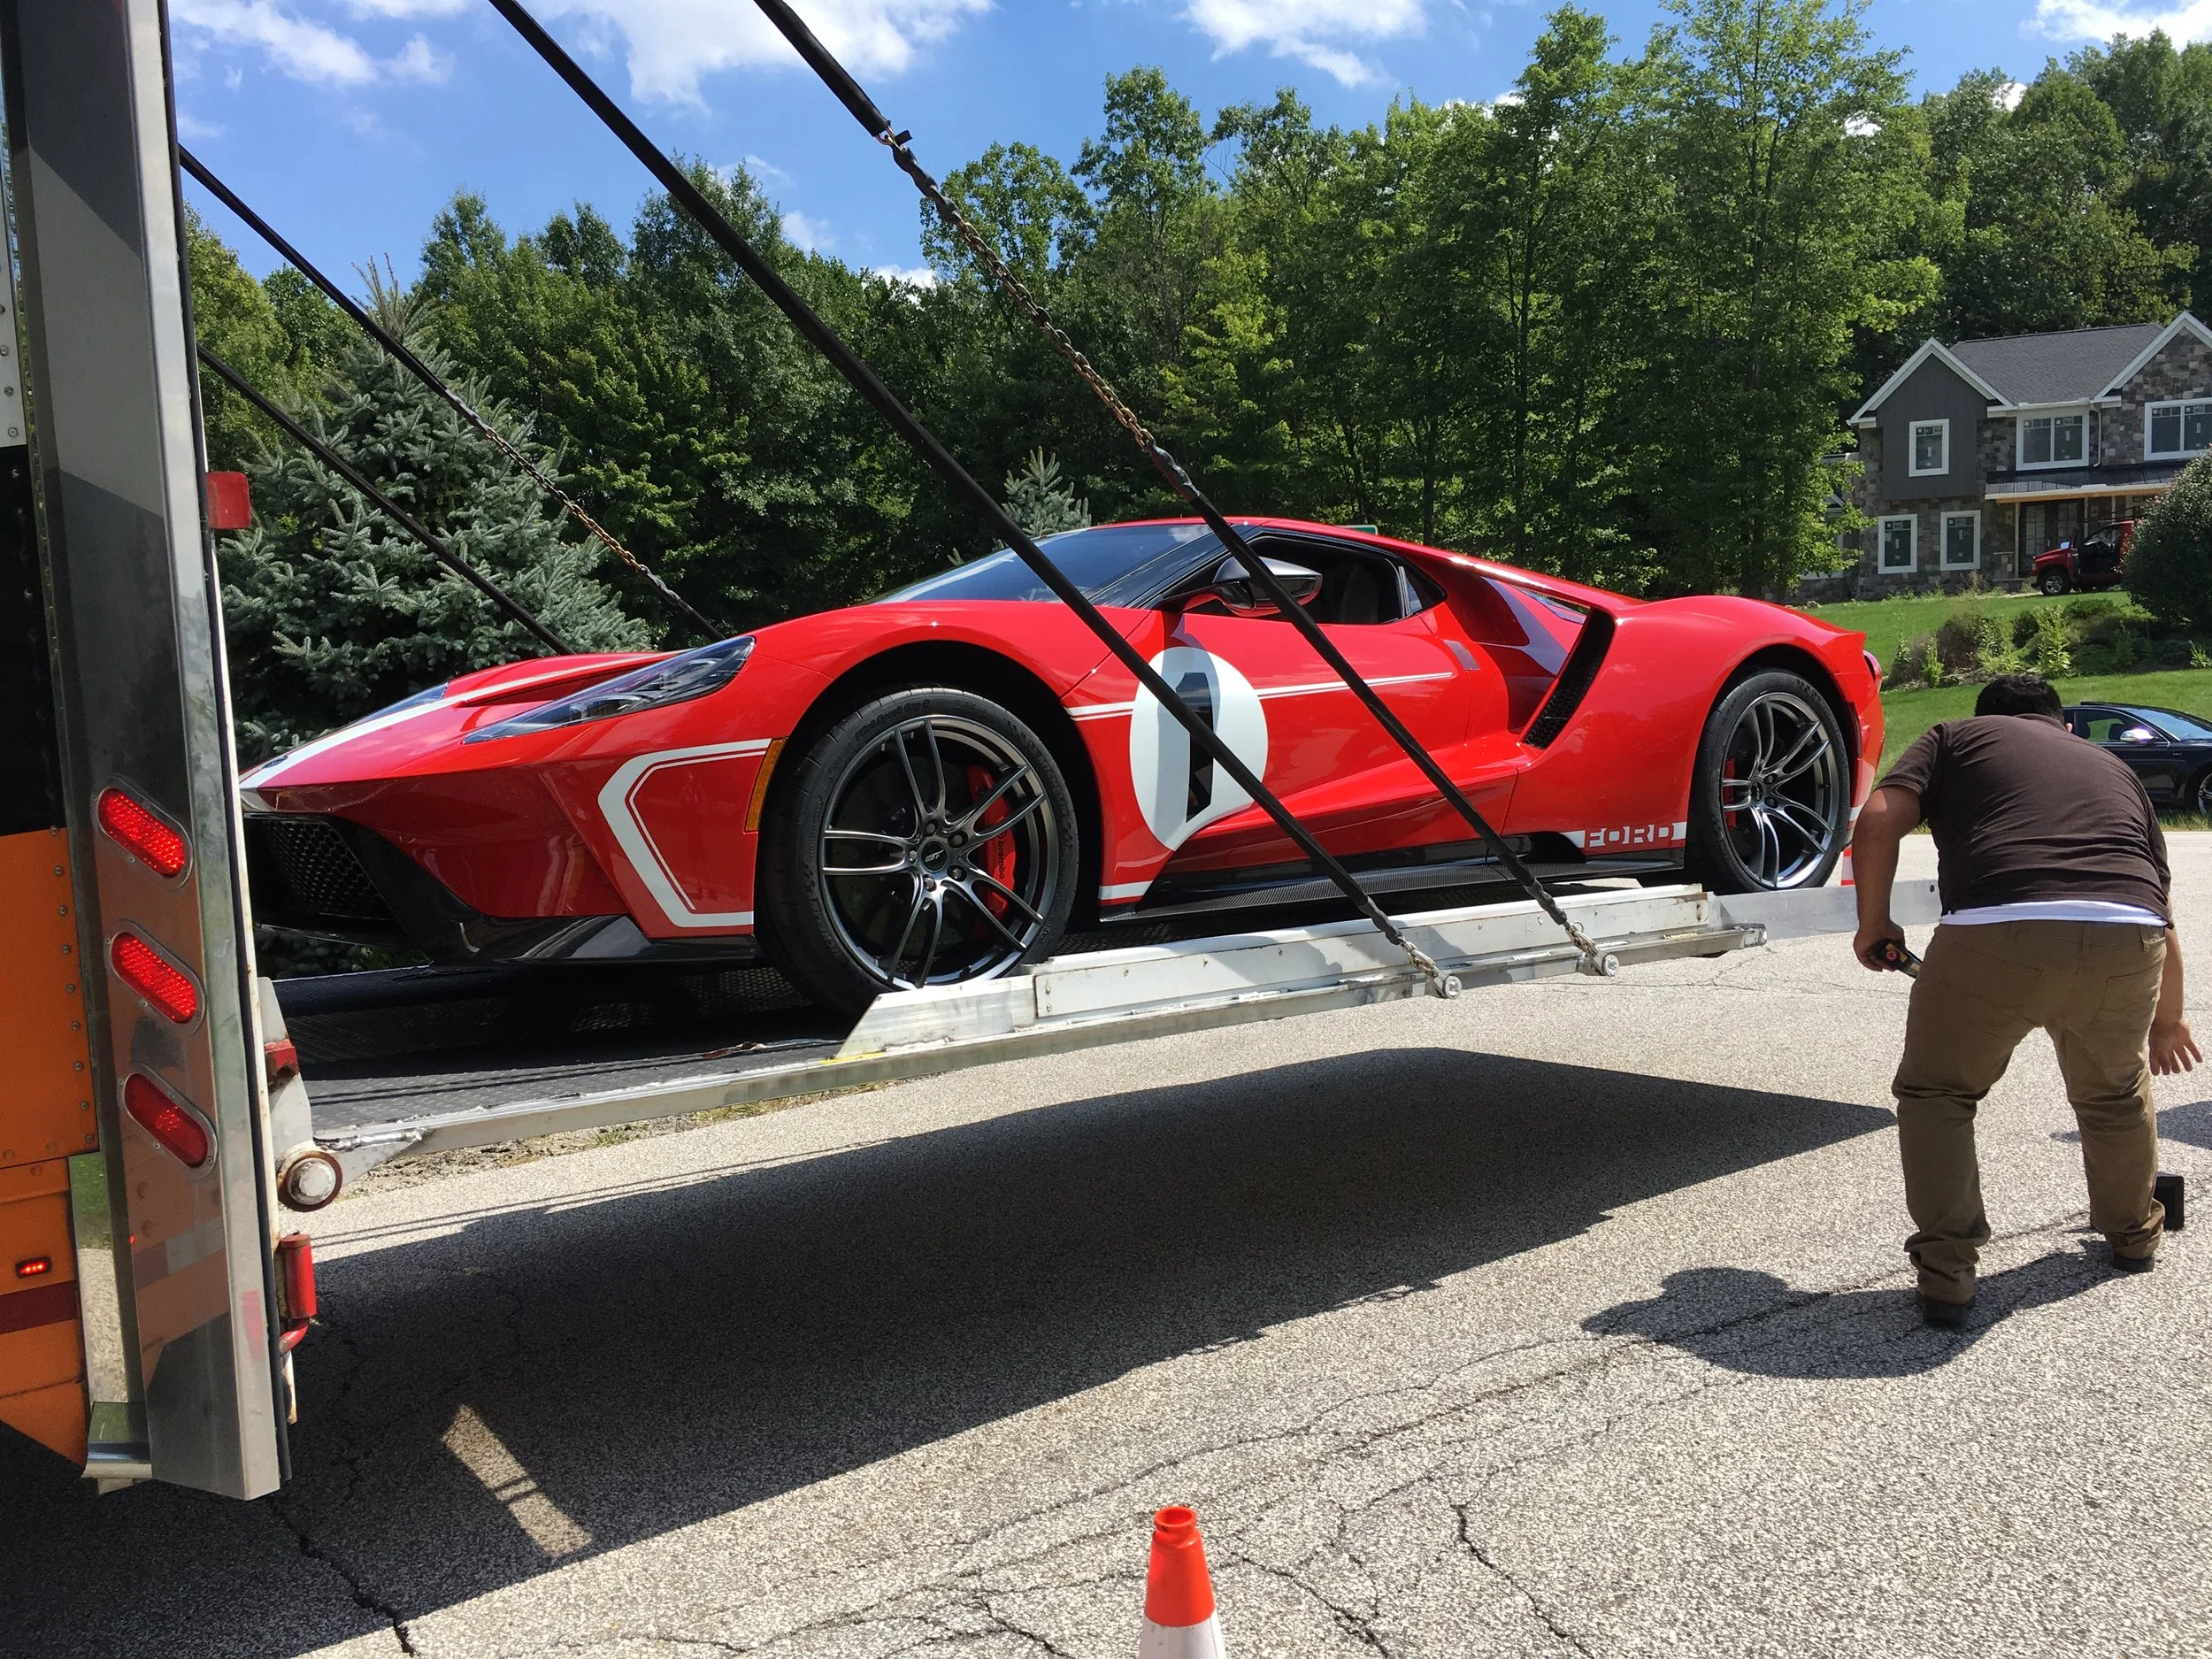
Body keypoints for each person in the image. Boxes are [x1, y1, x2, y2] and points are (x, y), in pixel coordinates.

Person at [1851, 672, 2198, 1328]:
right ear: (2062, 725)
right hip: (2128, 937)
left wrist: (1876, 923)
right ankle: (2133, 1235)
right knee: (2114, 1092)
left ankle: (1949, 1273)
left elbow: (1878, 818)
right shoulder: (2112, 765)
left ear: (1989, 719)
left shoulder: (1955, 736)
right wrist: (2168, 1018)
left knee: (1938, 1094)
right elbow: (2161, 910)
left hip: (1996, 931)